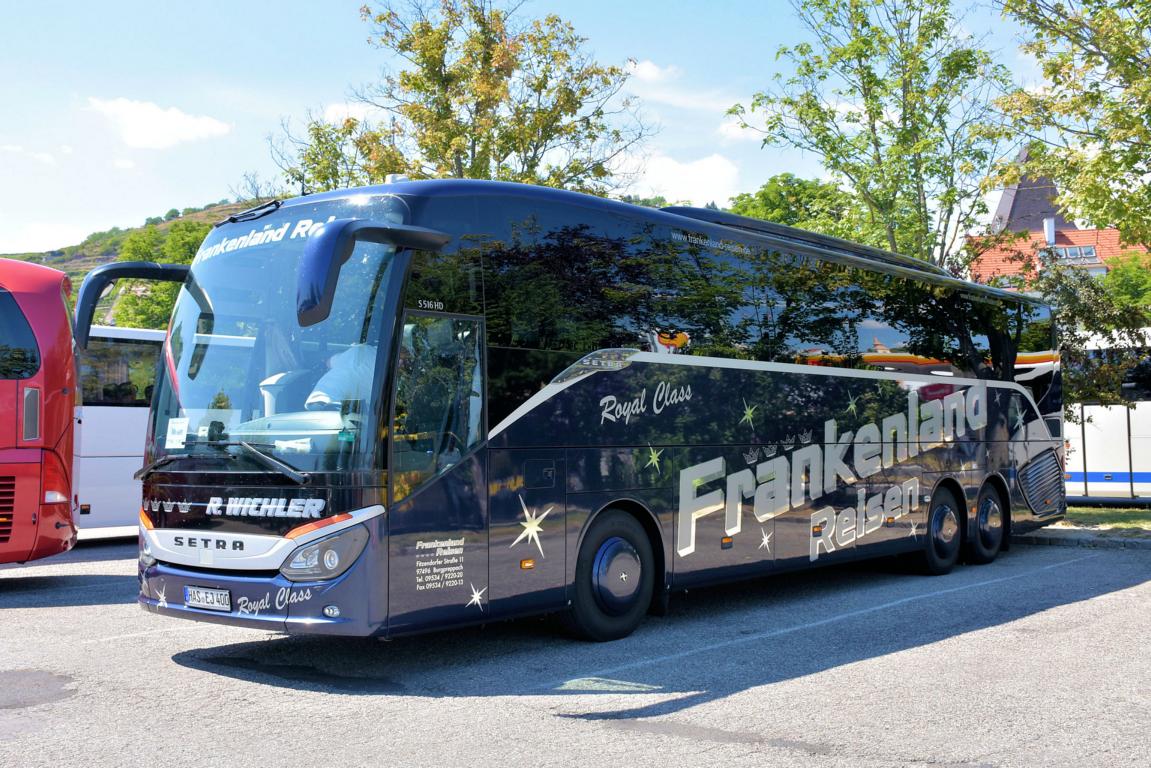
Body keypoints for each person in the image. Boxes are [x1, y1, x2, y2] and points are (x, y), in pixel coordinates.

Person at [305, 343, 376, 410]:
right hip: (346, 410)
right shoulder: (381, 357)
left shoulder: (356, 351)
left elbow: (328, 362)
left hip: (318, 402)